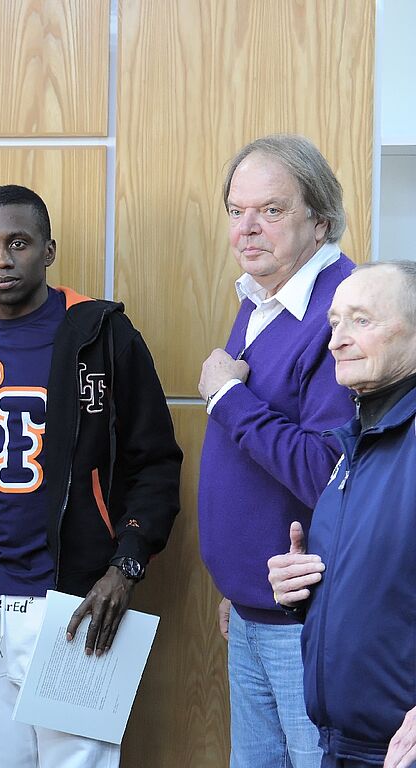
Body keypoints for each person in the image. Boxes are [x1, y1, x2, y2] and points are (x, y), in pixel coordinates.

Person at [0, 184, 182, 767]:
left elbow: (155, 461)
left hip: (74, 600)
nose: (1, 259)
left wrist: (126, 565)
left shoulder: (103, 335)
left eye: (18, 243)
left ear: (48, 250)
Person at [198, 134, 355, 768]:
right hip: (254, 608)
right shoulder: (264, 296)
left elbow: (327, 471)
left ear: (319, 220)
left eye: (271, 209)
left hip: (308, 618)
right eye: (236, 211)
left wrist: (225, 397)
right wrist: (238, 586)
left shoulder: (343, 311)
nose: (247, 229)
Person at [268, 262, 416, 768]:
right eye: (334, 322)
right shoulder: (356, 441)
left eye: (362, 320)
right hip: (342, 746)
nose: (336, 341)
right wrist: (305, 590)